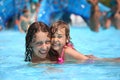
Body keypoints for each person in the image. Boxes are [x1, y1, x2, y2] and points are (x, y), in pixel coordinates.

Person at [50, 20, 120, 64]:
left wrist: (87, 59)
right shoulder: (55, 50)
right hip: (83, 57)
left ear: (67, 39)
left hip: (91, 61)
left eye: (59, 36)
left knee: (108, 61)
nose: (55, 39)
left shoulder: (67, 51)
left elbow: (86, 61)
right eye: (53, 36)